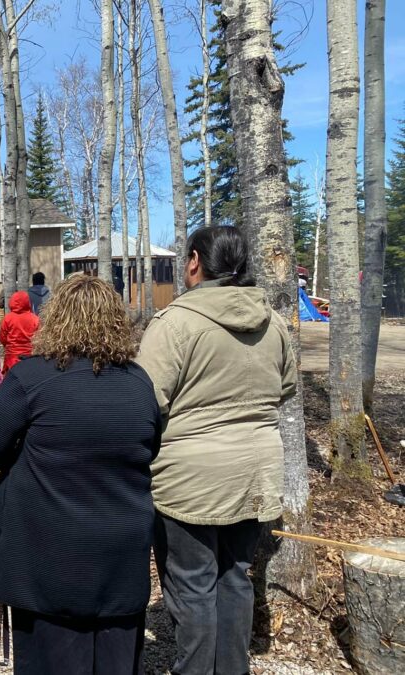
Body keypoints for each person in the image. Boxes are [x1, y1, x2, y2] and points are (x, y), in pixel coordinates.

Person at [0, 274, 161, 674]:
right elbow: (150, 448)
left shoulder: (31, 378)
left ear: (54, 319)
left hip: (48, 557)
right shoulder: (139, 382)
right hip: (119, 554)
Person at [136, 226, 296, 675]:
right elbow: (285, 388)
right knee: (234, 576)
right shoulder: (273, 321)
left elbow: (145, 400)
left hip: (190, 479)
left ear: (193, 261)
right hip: (256, 473)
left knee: (191, 587)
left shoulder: (175, 323)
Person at [0, 290, 38, 373]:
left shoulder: (8, 318)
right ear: (28, 302)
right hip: (30, 356)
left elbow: (3, 338)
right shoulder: (34, 319)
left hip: (12, 357)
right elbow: (38, 338)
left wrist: (8, 345)